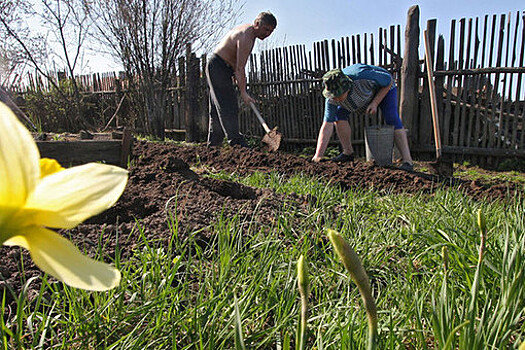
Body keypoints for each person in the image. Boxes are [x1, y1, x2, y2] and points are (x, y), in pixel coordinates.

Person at [311, 64, 414, 171]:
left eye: (338, 95)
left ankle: (407, 161)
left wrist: (375, 102)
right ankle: (348, 153)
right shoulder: (332, 98)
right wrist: (318, 155)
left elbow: (388, 81)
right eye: (333, 96)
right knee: (339, 115)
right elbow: (327, 125)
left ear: (347, 86)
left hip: (381, 89)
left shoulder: (362, 76)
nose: (335, 99)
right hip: (357, 98)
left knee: (391, 117)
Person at [206, 12, 277, 147]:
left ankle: (213, 146)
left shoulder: (249, 33)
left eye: (271, 31)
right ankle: (237, 144)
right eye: (266, 29)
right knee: (229, 106)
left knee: (217, 109)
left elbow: (235, 64)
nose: (268, 34)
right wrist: (243, 92)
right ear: (257, 24)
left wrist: (232, 74)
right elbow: (240, 67)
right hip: (219, 66)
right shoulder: (246, 37)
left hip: (221, 67)